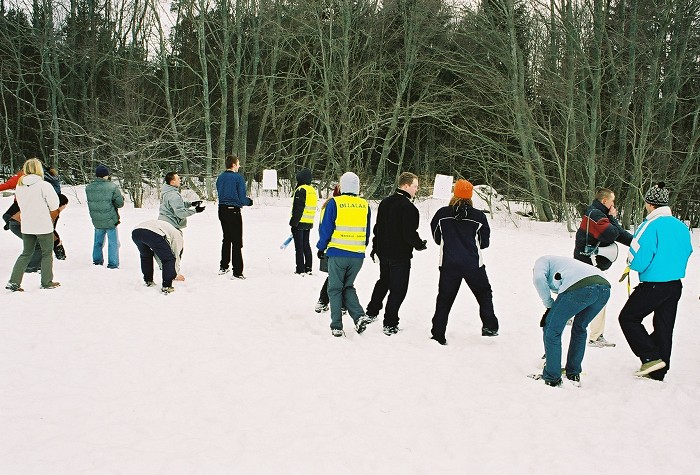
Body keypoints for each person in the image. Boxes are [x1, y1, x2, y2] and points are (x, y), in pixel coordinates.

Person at [618, 182, 692, 381]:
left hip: (653, 284)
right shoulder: (681, 226)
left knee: (628, 318)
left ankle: (650, 357)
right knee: (664, 326)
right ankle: (659, 371)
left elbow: (638, 256)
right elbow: (688, 251)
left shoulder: (650, 225)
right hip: (674, 285)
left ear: (649, 204)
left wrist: (631, 264)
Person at [429, 179, 498, 345]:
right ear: (470, 196)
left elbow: (437, 237)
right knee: (484, 293)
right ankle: (489, 326)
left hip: (448, 263)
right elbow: (484, 242)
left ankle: (438, 333)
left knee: (444, 298)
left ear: (454, 194)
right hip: (473, 264)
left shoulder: (442, 214)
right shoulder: (479, 216)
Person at [532, 255, 611, 387]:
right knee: (580, 328)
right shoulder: (565, 265)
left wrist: (549, 305)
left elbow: (538, 279)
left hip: (580, 286)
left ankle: (552, 376)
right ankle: (573, 373)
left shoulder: (541, 261)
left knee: (551, 328)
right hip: (604, 289)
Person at [365, 172, 427, 336]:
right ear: (405, 186)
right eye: (415, 186)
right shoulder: (409, 208)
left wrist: (375, 248)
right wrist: (419, 244)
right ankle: (390, 323)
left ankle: (371, 312)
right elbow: (409, 233)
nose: (417, 189)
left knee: (384, 282)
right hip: (400, 256)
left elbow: (378, 229)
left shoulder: (385, 203)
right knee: (398, 289)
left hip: (384, 253)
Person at [574, 188, 633, 348]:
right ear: (605, 201)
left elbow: (618, 233)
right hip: (588, 264)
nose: (614, 205)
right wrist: (613, 217)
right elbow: (611, 234)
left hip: (588, 263)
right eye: (612, 201)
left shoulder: (598, 214)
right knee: (600, 294)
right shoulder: (596, 215)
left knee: (595, 294)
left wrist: (635, 242)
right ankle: (595, 336)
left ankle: (591, 332)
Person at [316, 172, 373, 337]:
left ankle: (336, 326)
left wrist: (321, 247)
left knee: (334, 289)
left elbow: (326, 229)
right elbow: (367, 232)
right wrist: (361, 247)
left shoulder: (335, 203)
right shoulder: (364, 205)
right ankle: (359, 316)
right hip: (357, 255)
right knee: (348, 286)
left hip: (337, 253)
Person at [5, 158, 60, 291]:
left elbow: (19, 204)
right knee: (46, 253)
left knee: (26, 253)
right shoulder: (44, 185)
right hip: (43, 225)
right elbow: (54, 205)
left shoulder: (20, 186)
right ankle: (47, 282)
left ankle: (14, 282)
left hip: (27, 225)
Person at [6, 194, 68, 272]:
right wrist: (57, 242)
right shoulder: (53, 211)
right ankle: (31, 267)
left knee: (36, 243)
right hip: (19, 225)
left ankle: (35, 265)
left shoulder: (45, 206)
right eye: (65, 205)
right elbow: (49, 228)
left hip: (16, 223)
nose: (65, 207)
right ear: (61, 204)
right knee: (38, 244)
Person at [216, 155, 253, 279]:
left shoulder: (220, 177)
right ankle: (237, 271)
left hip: (222, 210)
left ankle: (223, 266)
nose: (239, 165)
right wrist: (249, 202)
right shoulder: (238, 178)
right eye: (238, 163)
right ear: (233, 165)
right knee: (237, 241)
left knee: (226, 238)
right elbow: (241, 198)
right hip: (233, 211)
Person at [86, 165, 125, 269]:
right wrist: (121, 198)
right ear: (106, 175)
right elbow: (119, 204)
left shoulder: (89, 188)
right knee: (113, 243)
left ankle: (97, 261)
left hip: (96, 219)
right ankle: (113, 264)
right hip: (110, 219)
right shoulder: (112, 187)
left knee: (97, 242)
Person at [132, 219, 185, 294]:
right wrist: (175, 274)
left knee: (146, 257)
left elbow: (159, 253)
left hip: (136, 232)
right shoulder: (178, 237)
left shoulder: (169, 229)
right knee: (168, 259)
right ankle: (167, 286)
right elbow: (175, 255)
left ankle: (148, 281)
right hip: (152, 233)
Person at [315, 184, 342, 313]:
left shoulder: (328, 205)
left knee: (336, 276)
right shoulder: (333, 205)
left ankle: (325, 301)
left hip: (331, 245)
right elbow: (325, 228)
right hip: (334, 245)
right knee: (335, 276)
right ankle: (324, 301)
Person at [289, 168, 317, 275]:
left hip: (299, 223)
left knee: (299, 247)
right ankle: (308, 267)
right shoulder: (312, 190)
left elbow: (298, 208)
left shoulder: (301, 190)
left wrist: (293, 223)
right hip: (308, 222)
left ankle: (300, 268)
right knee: (306, 245)